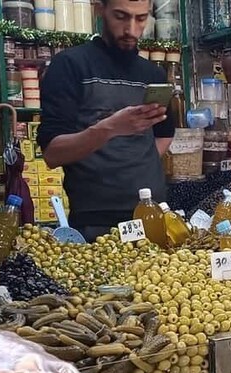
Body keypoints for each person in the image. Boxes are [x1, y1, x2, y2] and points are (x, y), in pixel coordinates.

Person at [37, 0, 174, 242]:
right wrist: (110, 128)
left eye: (141, 19)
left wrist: (135, 162)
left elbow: (164, 133)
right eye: (121, 16)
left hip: (153, 214)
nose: (131, 29)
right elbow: (52, 153)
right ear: (99, 9)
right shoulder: (70, 65)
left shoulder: (153, 75)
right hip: (95, 222)